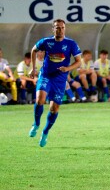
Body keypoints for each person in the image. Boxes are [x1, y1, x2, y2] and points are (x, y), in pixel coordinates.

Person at [28, 19, 84, 147]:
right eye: (57, 27)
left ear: (65, 28)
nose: (60, 30)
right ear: (53, 29)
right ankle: (36, 124)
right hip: (46, 75)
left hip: (60, 79)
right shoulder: (46, 42)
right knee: (39, 99)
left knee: (54, 109)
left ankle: (45, 132)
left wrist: (67, 69)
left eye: (62, 27)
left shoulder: (71, 44)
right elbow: (33, 50)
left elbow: (78, 61)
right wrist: (34, 68)